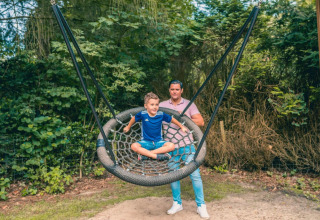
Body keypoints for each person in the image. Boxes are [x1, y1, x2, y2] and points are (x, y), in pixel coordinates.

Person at [160, 80, 210, 219]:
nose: (174, 92)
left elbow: (201, 122)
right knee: (173, 176)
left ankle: (201, 206)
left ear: (181, 90)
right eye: (172, 89)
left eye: (177, 89)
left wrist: (186, 116)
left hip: (187, 146)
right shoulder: (162, 105)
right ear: (169, 90)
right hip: (170, 147)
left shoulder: (189, 104)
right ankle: (177, 203)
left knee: (195, 175)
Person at [124, 92, 187, 161]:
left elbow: (172, 119)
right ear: (146, 106)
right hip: (145, 142)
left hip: (158, 142)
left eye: (156, 104)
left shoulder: (161, 114)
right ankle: (156, 156)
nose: (155, 107)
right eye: (152, 105)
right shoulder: (143, 114)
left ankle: (148, 155)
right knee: (133, 146)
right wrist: (128, 127)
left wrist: (181, 126)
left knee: (171, 146)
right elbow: (133, 118)